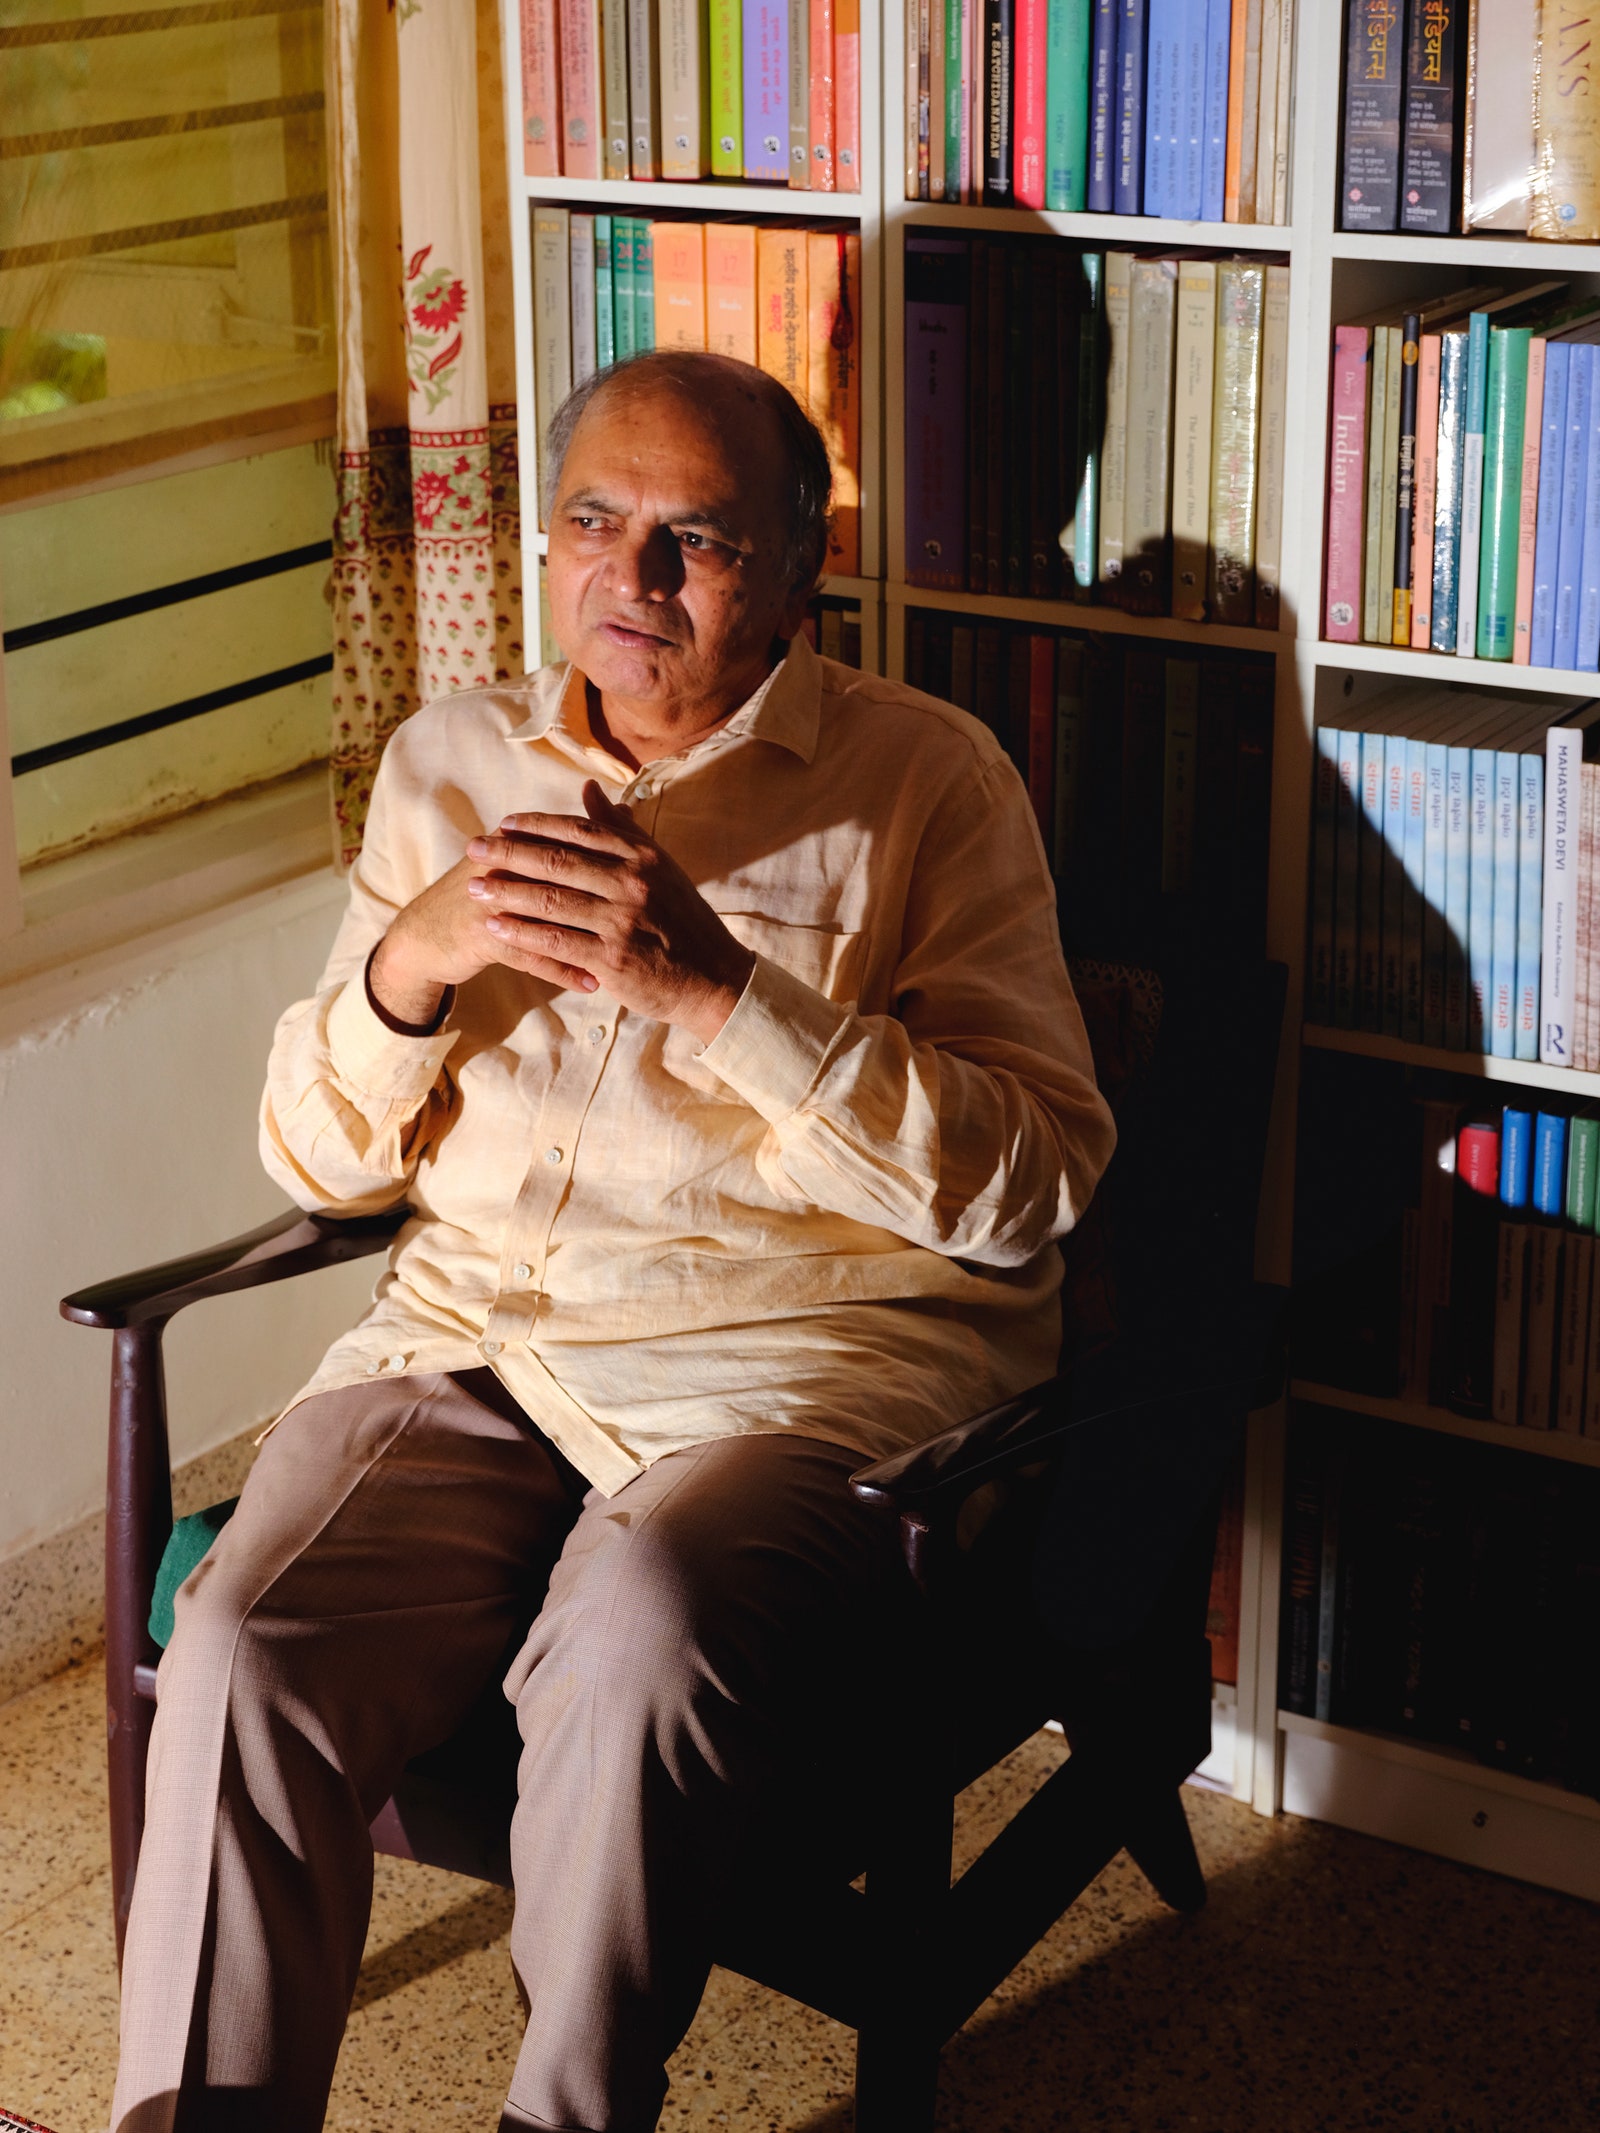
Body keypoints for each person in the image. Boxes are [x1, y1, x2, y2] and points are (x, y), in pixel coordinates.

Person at [109, 350, 1116, 2133]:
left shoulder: (928, 783)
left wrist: (720, 994)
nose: (630, 579)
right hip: (476, 1341)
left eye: (696, 540)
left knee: (638, 1611)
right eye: (595, 521)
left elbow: (1034, 1175)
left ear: (807, 567)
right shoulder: (452, 756)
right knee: (248, 1633)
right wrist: (410, 962)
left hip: (779, 1377)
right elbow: (317, 1157)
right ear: (546, 536)